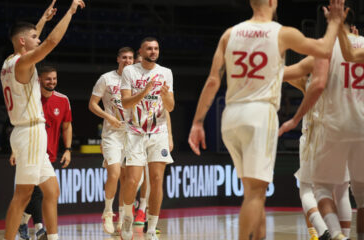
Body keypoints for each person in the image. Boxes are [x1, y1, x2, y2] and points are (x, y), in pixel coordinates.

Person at [187, 0, 344, 239]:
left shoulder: (229, 34)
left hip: (231, 115)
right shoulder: (281, 32)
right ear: (273, 2)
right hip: (259, 114)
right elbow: (324, 48)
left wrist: (197, 122)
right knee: (254, 194)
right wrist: (334, 22)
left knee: (252, 190)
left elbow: (212, 81)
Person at [0, 0, 85, 239]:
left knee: (51, 190)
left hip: (27, 131)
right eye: (34, 36)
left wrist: (43, 20)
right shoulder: (24, 62)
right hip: (30, 132)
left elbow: (28, 41)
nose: (38, 38)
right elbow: (50, 42)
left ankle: (53, 237)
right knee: (23, 196)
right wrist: (69, 12)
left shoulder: (9, 61)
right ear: (23, 42)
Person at [283, 54, 353, 240]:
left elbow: (285, 74)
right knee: (342, 190)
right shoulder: (348, 74)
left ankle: (324, 232)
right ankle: (343, 237)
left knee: (306, 189)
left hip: (315, 138)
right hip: (342, 136)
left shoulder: (311, 77)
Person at [120, 37, 175, 240]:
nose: (153, 51)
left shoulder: (166, 72)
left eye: (156, 48)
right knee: (133, 180)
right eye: (149, 48)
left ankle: (151, 228)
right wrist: (145, 91)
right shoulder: (130, 71)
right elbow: (125, 103)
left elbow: (170, 107)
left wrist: (166, 95)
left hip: (158, 131)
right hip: (135, 131)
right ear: (140, 52)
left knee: (157, 179)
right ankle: (127, 217)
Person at [13, 66, 73, 240]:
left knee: (37, 192)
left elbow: (67, 127)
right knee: (37, 191)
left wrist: (68, 150)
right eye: (48, 79)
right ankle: (40, 229)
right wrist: (15, 149)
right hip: (29, 149)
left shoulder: (63, 100)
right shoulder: (31, 98)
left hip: (50, 153)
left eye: (54, 78)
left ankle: (23, 221)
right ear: (39, 80)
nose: (52, 82)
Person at [88, 47, 134, 235]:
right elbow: (92, 104)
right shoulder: (106, 78)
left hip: (132, 134)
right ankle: (108, 212)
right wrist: (109, 117)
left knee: (127, 179)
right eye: (124, 58)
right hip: (112, 133)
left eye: (131, 58)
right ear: (118, 59)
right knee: (114, 173)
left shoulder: (138, 80)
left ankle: (123, 216)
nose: (128, 61)